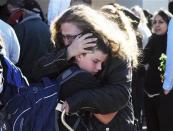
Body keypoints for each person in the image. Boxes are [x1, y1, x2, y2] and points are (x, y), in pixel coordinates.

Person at [33, 4, 139, 131]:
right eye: (63, 36)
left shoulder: (116, 51)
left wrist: (80, 99)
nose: (66, 41)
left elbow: (120, 94)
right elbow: (37, 72)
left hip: (115, 126)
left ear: (90, 31)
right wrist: (68, 53)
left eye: (70, 37)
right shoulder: (66, 48)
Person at [143, 9, 172, 131]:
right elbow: (142, 60)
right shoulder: (152, 40)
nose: (157, 25)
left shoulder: (170, 42)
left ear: (169, 24)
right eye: (154, 22)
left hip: (166, 92)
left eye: (161, 22)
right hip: (149, 92)